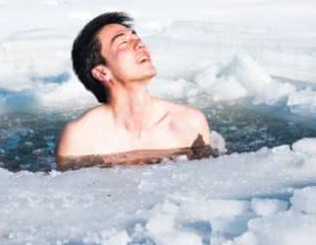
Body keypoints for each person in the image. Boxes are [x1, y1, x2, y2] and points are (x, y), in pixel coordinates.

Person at [56, 12, 211, 170]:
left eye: (137, 39)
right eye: (123, 43)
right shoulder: (81, 137)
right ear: (102, 72)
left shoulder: (188, 122)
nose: (140, 45)